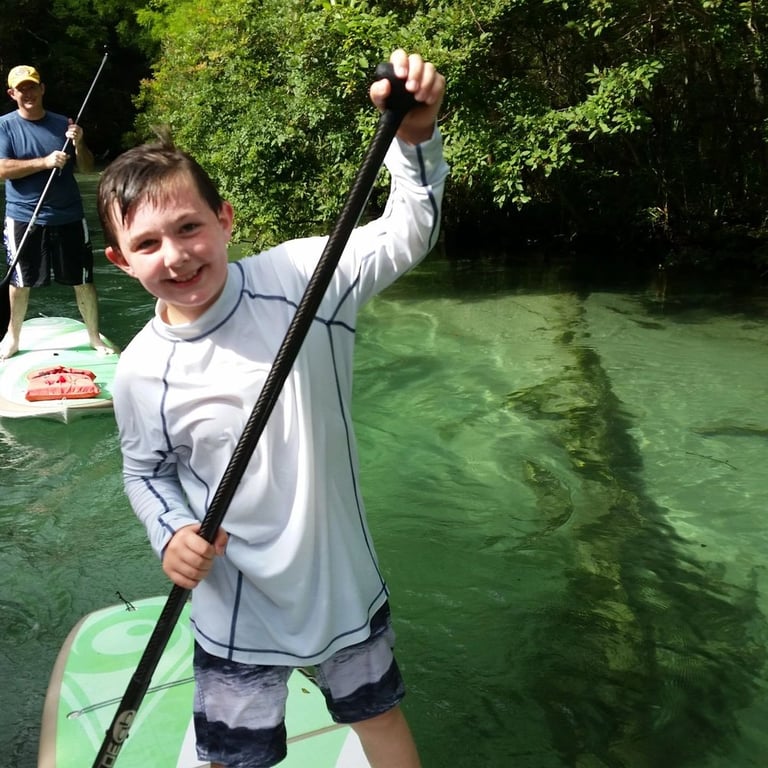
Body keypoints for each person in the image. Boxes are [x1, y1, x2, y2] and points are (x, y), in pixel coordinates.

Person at [97, 49, 448, 768]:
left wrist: (415, 138)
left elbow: (407, 232)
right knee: (235, 759)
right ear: (120, 262)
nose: (175, 256)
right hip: (236, 607)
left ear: (225, 219)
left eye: (189, 227)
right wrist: (171, 533)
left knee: (380, 721)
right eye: (147, 244)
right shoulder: (138, 371)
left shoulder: (301, 279)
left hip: (342, 588)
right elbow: (145, 472)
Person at [0, 64, 113, 360]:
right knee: (20, 282)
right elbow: (2, 169)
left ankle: (94, 337)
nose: (28, 93)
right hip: (24, 216)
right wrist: (44, 162)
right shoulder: (5, 126)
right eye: (21, 89)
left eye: (32, 87)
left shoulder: (63, 123)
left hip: (68, 215)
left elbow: (86, 168)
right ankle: (12, 338)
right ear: (12, 94)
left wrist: (79, 142)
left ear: (42, 89)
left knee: (83, 280)